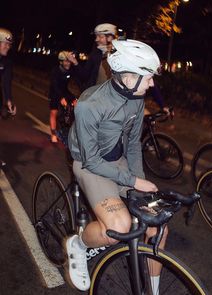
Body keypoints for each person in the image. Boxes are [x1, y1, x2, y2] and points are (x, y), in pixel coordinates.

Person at [67, 39, 168, 292]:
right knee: (118, 228)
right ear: (128, 77)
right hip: (89, 163)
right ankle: (78, 244)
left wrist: (138, 183)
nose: (152, 83)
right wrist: (132, 181)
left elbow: (133, 145)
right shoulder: (90, 105)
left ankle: (153, 291)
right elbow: (91, 160)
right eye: (148, 78)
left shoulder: (136, 98)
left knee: (158, 222)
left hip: (116, 158)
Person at [67, 23, 117, 91]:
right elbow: (84, 76)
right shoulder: (95, 54)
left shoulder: (118, 55)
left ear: (110, 38)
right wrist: (75, 62)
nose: (96, 39)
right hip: (94, 96)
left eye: (100, 37)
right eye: (96, 37)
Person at [48, 51, 78, 143]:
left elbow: (77, 80)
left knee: (76, 103)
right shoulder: (55, 71)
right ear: (61, 62)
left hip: (65, 91)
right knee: (54, 112)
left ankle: (71, 128)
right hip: (54, 92)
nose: (68, 63)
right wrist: (61, 98)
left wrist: (74, 98)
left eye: (69, 61)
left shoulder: (70, 70)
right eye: (65, 61)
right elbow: (55, 86)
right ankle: (53, 134)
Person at [0, 28, 15, 167]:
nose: (8, 47)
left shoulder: (6, 61)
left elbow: (6, 82)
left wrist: (9, 100)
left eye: (9, 45)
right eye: (5, 44)